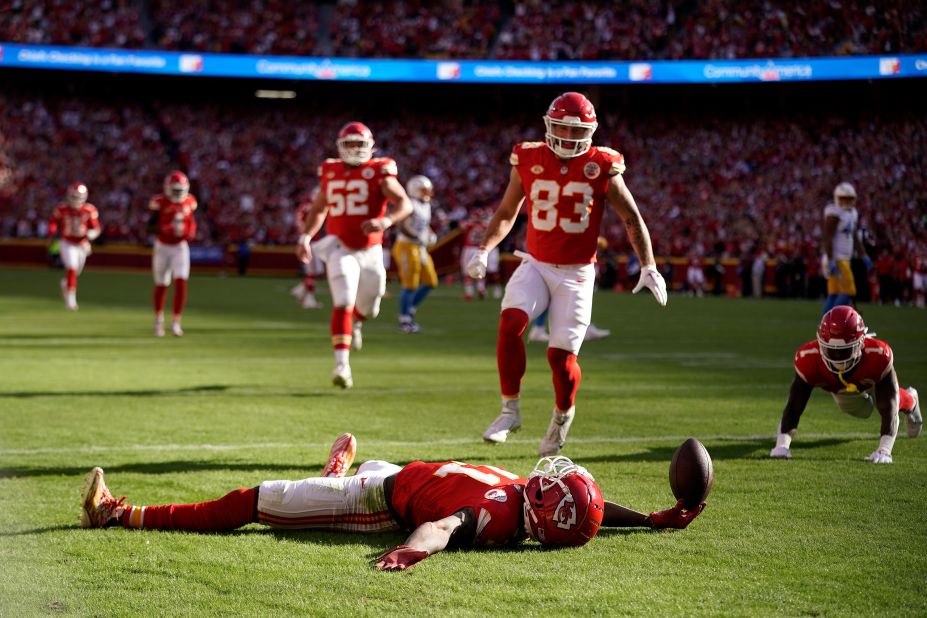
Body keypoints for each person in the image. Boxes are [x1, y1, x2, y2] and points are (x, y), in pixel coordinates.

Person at [79, 433, 706, 571]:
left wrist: (408, 553)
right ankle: (329, 476)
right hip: (405, 475)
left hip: (381, 503)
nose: (550, 475)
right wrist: (650, 519)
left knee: (255, 500)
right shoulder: (532, 503)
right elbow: (587, 511)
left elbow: (442, 524)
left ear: (543, 510)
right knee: (366, 469)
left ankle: (117, 515)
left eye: (553, 484)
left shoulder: (496, 515)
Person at [467, 92, 667, 456]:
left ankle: (562, 416)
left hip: (577, 273)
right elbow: (508, 210)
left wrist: (649, 265)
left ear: (591, 132)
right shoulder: (527, 157)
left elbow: (631, 217)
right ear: (548, 124)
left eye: (576, 130)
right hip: (536, 263)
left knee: (561, 360)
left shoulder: (602, 163)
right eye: (560, 126)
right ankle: (509, 410)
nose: (567, 136)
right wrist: (484, 248)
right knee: (510, 323)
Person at [296, 122, 412, 388]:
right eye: (350, 144)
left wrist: (385, 222)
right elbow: (318, 210)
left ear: (370, 146)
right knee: (343, 300)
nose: (355, 149)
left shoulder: (379, 170)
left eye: (360, 144)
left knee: (369, 308)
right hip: (339, 246)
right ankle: (342, 366)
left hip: (370, 249)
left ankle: (357, 322)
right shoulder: (330, 171)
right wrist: (305, 236)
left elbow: (404, 202)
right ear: (340, 146)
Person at [770, 306, 922, 464]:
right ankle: (907, 398)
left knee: (884, 402)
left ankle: (911, 400)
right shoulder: (809, 358)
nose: (838, 358)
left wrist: (885, 450)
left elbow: (889, 404)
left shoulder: (877, 355)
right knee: (863, 411)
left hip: (869, 379)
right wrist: (782, 446)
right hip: (842, 391)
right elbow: (794, 406)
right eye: (831, 351)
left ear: (861, 343)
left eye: (844, 351)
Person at [148, 171, 197, 337]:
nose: (177, 193)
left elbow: (192, 222)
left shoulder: (190, 201)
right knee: (161, 284)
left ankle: (176, 322)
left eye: (179, 190)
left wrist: (190, 232)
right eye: (174, 190)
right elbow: (150, 226)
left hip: (180, 247)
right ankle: (158, 320)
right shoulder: (159, 202)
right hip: (162, 246)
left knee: (181, 282)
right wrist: (164, 228)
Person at [391, 175, 438, 333]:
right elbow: (402, 226)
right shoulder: (410, 203)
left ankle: (409, 309)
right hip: (406, 245)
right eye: (424, 189)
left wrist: (429, 234)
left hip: (419, 247)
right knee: (410, 284)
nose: (428, 192)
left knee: (431, 281)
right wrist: (419, 237)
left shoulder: (426, 205)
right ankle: (404, 320)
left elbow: (424, 225)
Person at [47, 182, 100, 311]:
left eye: (78, 196)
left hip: (82, 244)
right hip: (67, 242)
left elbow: (96, 227)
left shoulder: (89, 209)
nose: (76, 199)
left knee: (76, 271)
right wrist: (52, 232)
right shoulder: (62, 209)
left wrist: (92, 234)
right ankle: (71, 301)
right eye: (74, 196)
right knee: (72, 267)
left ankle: (66, 284)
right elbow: (53, 222)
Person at [822, 182, 871, 313]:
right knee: (849, 290)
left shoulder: (852, 213)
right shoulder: (834, 213)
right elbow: (828, 237)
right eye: (844, 198)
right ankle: (834, 318)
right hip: (837, 258)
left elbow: (854, 235)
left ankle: (826, 319)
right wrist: (831, 259)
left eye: (849, 199)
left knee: (834, 292)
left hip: (843, 258)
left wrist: (863, 255)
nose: (847, 202)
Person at [290, 187, 324, 310]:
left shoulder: (304, 208)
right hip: (311, 241)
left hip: (311, 240)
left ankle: (300, 290)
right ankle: (309, 299)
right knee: (312, 272)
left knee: (315, 271)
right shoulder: (311, 208)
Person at [460, 207, 501, 301]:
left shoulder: (469, 224)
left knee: (467, 272)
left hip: (469, 248)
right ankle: (481, 289)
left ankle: (469, 293)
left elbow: (462, 226)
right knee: (480, 271)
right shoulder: (486, 225)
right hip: (479, 249)